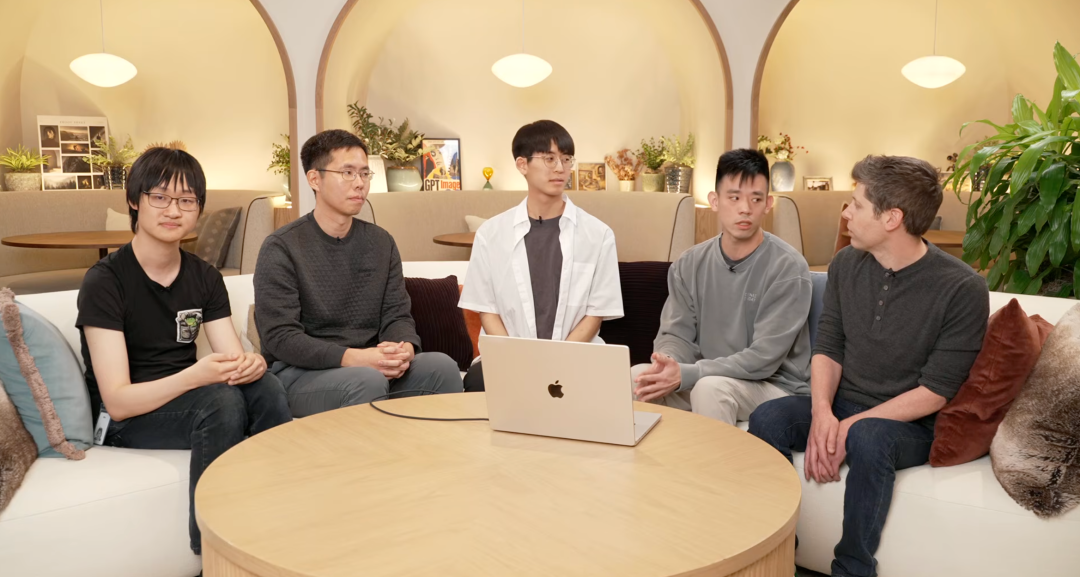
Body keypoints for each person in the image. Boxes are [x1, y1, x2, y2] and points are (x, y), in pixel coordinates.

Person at [748, 155, 989, 577]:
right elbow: (829, 347)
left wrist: (847, 428)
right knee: (767, 418)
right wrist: (823, 413)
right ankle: (778, 556)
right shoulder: (845, 264)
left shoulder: (962, 287)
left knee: (869, 436)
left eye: (857, 205)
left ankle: (852, 569)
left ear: (892, 218)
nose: (846, 213)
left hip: (909, 424)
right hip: (845, 403)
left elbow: (936, 391)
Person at [77, 148, 291, 555]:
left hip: (188, 401)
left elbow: (231, 361)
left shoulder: (204, 276)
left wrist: (252, 363)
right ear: (134, 200)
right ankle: (214, 554)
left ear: (198, 209)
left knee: (266, 388)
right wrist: (196, 376)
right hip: (125, 419)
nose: (173, 210)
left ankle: (279, 518)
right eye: (160, 197)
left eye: (187, 200)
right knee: (221, 403)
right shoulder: (105, 281)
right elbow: (118, 401)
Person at [255, 129, 463, 416]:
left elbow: (396, 314)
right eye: (348, 173)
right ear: (315, 179)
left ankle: (429, 448)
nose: (359, 183)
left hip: (371, 367)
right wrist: (355, 358)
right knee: (366, 380)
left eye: (365, 174)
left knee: (442, 367)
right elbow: (280, 337)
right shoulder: (281, 247)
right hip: (300, 374)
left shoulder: (381, 242)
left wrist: (403, 348)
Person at [632, 148, 812, 425]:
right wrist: (667, 363)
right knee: (636, 378)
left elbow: (763, 359)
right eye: (734, 197)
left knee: (710, 389)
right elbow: (677, 334)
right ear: (715, 201)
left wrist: (689, 373)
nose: (745, 208)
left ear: (768, 204)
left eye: (756, 199)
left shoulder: (788, 267)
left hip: (774, 386)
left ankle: (715, 458)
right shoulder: (689, 263)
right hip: (707, 375)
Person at [458, 120, 624, 392]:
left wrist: (555, 360)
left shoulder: (598, 234)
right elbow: (487, 309)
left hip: (576, 356)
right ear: (522, 164)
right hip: (508, 357)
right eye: (549, 159)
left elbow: (596, 314)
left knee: (599, 385)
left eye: (566, 159)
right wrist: (519, 358)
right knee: (478, 380)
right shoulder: (491, 234)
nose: (560, 168)